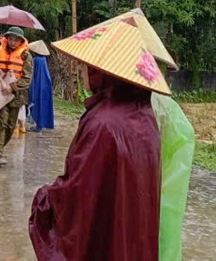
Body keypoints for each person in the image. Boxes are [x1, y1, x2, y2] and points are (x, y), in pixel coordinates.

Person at [29, 65, 162, 260]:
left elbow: (79, 192)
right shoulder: (146, 116)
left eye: (87, 67)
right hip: (133, 235)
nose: (81, 71)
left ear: (102, 71)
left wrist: (45, 199)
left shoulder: (102, 123)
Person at [0, 27, 33, 166]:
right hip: (0, 94)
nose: (12, 42)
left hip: (16, 96)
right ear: (7, 39)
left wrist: (12, 87)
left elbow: (27, 78)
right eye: (10, 39)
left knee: (11, 126)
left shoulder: (26, 56)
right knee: (2, 123)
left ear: (20, 41)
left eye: (16, 40)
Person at [27, 40, 55, 132]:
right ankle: (42, 124)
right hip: (45, 85)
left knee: (37, 104)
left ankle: (38, 126)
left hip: (38, 85)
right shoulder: (43, 60)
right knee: (44, 105)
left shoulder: (36, 60)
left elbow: (32, 74)